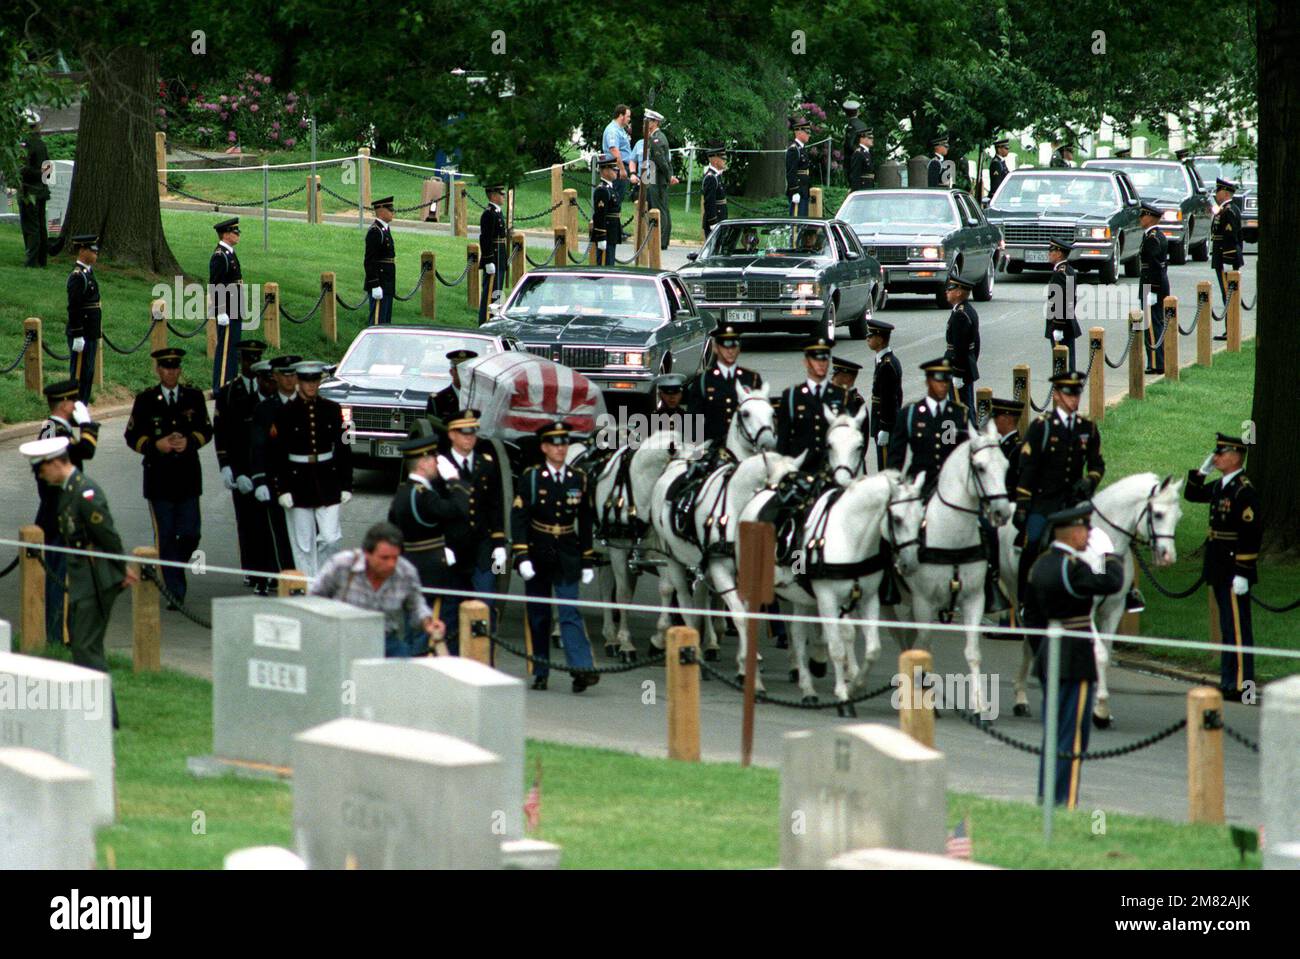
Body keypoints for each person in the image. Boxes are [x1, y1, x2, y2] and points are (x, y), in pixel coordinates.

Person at [21, 437, 136, 728]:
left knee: (86, 646)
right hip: (85, 577)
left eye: (42, 469)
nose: (41, 476)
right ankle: (93, 711)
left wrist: (122, 568)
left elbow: (107, 533)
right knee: (82, 643)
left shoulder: (84, 492)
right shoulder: (66, 491)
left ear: (57, 462)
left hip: (98, 577)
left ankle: (105, 718)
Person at [1023, 502, 1125, 808]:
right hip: (1075, 658)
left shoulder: (1040, 565)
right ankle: (1064, 802)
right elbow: (1111, 582)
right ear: (1073, 533)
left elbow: (1032, 617)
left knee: (1053, 733)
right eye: (1086, 530)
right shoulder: (1070, 567)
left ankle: (1046, 795)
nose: (1089, 536)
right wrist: (1110, 556)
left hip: (1049, 654)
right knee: (1072, 735)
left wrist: (1043, 649)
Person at [511, 421, 599, 693]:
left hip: (567, 553)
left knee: (569, 611)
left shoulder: (579, 478)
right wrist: (521, 555)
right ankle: (540, 670)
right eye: (555, 444)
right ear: (544, 448)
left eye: (564, 443)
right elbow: (519, 518)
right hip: (538, 551)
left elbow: (585, 521)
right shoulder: (532, 477)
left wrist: (586, 558)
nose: (561, 449)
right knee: (539, 616)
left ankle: (581, 669)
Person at [124, 347, 212, 606]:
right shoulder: (146, 400)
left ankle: (174, 566)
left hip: (187, 477)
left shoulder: (193, 397)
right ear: (158, 370)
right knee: (165, 534)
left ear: (179, 370)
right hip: (159, 479)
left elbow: (206, 429)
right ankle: (175, 590)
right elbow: (131, 436)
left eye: (175, 368)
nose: (171, 372)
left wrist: (190, 441)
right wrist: (156, 445)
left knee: (190, 533)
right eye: (166, 367)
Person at [1012, 370, 1104, 604]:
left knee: (1100, 545)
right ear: (1057, 395)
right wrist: (1023, 503)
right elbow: (1028, 468)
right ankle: (1025, 599)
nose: (1074, 399)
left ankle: (1106, 595)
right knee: (1033, 545)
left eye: (1077, 394)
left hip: (1075, 503)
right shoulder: (1042, 427)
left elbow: (1096, 464)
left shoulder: (1087, 428)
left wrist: (1089, 480)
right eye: (1069, 394)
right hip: (1045, 503)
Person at [1184, 433, 1260, 700]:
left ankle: (1243, 685)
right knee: (1227, 627)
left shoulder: (1243, 490)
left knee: (1239, 628)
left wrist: (1243, 571)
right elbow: (1192, 494)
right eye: (1215, 453)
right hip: (1218, 565)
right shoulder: (1221, 486)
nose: (1216, 457)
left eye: (1221, 453)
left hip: (1233, 568)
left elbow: (1250, 534)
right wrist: (1200, 472)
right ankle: (1228, 681)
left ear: (1236, 456)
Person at [311, 522, 447, 658]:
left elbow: (416, 604)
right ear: (367, 553)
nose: (391, 564)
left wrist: (428, 622)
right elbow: (313, 598)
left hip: (385, 640)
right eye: (384, 558)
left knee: (406, 671)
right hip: (344, 638)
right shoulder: (342, 564)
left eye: (395, 558)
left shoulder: (406, 572)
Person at [269, 360, 353, 577]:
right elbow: (277, 455)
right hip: (297, 481)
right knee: (303, 544)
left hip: (327, 479)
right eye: (306, 380)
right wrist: (282, 489)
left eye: (315, 380)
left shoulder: (332, 409)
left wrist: (346, 484)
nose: (311, 385)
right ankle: (309, 587)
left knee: (330, 538)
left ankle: (324, 580)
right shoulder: (285, 413)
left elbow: (344, 448)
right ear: (298, 381)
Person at [33, 381, 99, 647]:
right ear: (64, 404)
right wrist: (89, 428)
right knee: (59, 576)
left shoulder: (59, 430)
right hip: (58, 515)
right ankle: (56, 635)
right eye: (74, 402)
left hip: (66, 514)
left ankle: (66, 632)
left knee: (69, 574)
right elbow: (85, 452)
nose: (77, 407)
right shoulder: (52, 431)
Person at [387, 431, 470, 638]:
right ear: (422, 463)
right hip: (431, 569)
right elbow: (457, 510)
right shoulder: (424, 495)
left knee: (413, 622)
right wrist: (454, 481)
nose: (436, 463)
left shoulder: (403, 491)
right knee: (428, 624)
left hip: (411, 564)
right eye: (433, 458)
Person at [439, 410, 509, 643]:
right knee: (451, 608)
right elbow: (433, 509)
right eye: (463, 433)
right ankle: (450, 663)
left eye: (473, 433)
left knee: (484, 604)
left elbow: (495, 506)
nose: (469, 438)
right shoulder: (440, 466)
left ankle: (482, 660)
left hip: (481, 546)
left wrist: (498, 543)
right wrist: (440, 544)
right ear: (451, 434)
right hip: (452, 547)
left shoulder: (486, 464)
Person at [214, 339, 269, 591]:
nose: (251, 364)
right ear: (241, 361)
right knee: (246, 521)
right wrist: (225, 465)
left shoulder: (268, 390)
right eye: (248, 359)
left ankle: (267, 569)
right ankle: (250, 568)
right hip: (240, 467)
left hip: (264, 468)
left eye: (256, 359)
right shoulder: (228, 392)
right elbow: (221, 431)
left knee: (266, 522)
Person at [249, 354, 300, 584]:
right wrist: (260, 480)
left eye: (293, 374)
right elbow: (258, 447)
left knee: (310, 536)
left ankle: (308, 579)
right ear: (276, 377)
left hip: (306, 481)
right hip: (276, 481)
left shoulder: (308, 403)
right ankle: (289, 580)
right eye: (284, 375)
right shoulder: (264, 409)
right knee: (282, 535)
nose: (289, 380)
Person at [887, 358, 969, 499]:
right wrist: (894, 485)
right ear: (927, 382)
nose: (943, 386)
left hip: (950, 483)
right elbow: (896, 456)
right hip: (919, 483)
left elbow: (966, 451)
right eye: (938, 381)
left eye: (946, 381)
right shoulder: (911, 414)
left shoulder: (958, 413)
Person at [777, 337, 849, 475]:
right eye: (816, 359)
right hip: (799, 472)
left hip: (832, 472)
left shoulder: (842, 396)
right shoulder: (792, 396)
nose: (821, 364)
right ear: (806, 362)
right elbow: (783, 441)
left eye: (824, 359)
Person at [686, 325, 763, 447]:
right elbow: (694, 420)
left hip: (745, 445)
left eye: (734, 346)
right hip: (712, 446)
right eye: (725, 346)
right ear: (716, 348)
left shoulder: (751, 378)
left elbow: (759, 415)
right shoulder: (703, 380)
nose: (730, 351)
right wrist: (697, 453)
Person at [66, 234, 103, 403]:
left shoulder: (88, 273)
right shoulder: (77, 276)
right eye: (92, 251)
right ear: (82, 250)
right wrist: (77, 333)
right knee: (79, 372)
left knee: (88, 372)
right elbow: (74, 307)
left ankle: (83, 405)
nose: (96, 254)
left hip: (91, 331)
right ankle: (74, 406)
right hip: (82, 331)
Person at [209, 217, 244, 390]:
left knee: (233, 350)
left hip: (235, 307)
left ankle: (230, 384)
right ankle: (221, 386)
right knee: (225, 350)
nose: (238, 235)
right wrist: (221, 310)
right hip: (228, 309)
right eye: (234, 232)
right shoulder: (220, 255)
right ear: (225, 234)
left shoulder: (229, 253)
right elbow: (216, 285)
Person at [1210, 178, 1243, 342]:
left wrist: (1227, 259)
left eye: (1218, 192)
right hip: (1225, 256)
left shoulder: (1228, 211)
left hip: (1226, 257)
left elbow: (1231, 236)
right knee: (1228, 295)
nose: (1216, 195)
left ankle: (1231, 330)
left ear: (1224, 193)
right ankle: (1230, 328)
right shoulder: (1229, 208)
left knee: (1228, 295)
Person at [1138, 201, 1169, 374]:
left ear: (1150, 218)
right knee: (1153, 323)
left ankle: (1157, 363)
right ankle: (1156, 361)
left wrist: (1152, 290)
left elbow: (1156, 267)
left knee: (1152, 324)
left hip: (1152, 286)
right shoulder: (1153, 235)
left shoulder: (1153, 238)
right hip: (1151, 285)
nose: (1140, 219)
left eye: (1143, 215)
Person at [867, 319, 902, 472]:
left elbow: (890, 399)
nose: (868, 338)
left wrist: (885, 428)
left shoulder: (887, 365)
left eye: (871, 335)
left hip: (886, 423)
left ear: (880, 339)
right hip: (884, 421)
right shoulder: (883, 361)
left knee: (886, 469)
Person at [427, 349, 476, 451]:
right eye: (460, 370)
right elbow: (433, 433)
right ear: (452, 372)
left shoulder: (480, 398)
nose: (464, 375)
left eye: (467, 371)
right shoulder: (438, 400)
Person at [944, 276, 980, 410]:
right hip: (967, 365)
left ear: (959, 292)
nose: (947, 291)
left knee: (961, 409)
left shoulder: (960, 315)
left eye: (950, 289)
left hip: (959, 368)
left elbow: (960, 346)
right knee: (966, 405)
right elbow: (975, 344)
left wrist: (958, 373)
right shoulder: (968, 310)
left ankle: (968, 431)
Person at [19, 111, 50, 268]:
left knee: (31, 227)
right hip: (42, 190)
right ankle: (41, 259)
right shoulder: (41, 144)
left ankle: (32, 261)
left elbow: (23, 169)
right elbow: (47, 168)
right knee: (40, 226)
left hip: (29, 191)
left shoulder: (26, 145)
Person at [1044, 238, 1081, 370]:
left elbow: (1062, 300)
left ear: (1059, 253)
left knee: (1062, 364)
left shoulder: (1060, 274)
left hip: (1061, 324)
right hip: (1068, 322)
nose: (1049, 253)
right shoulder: (1068, 270)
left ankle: (1065, 390)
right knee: (1068, 362)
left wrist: (1058, 325)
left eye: (1051, 250)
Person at [644, 109, 677, 249]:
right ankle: (660, 239)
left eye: (649, 121)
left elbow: (661, 161)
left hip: (657, 178)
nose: (646, 123)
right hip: (653, 176)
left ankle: (661, 241)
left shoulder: (657, 138)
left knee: (660, 210)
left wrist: (669, 176)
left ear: (655, 122)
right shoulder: (654, 136)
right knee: (659, 208)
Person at [364, 196, 397, 326]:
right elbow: (370, 260)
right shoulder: (375, 231)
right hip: (380, 282)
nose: (392, 212)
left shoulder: (384, 229)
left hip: (387, 282)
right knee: (378, 321)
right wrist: (375, 284)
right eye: (390, 209)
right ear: (381, 211)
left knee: (386, 320)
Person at [478, 185, 508, 325]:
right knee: (489, 293)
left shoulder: (497, 212)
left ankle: (494, 320)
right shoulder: (489, 213)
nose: (504, 196)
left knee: (497, 292)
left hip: (500, 258)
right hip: (494, 259)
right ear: (493, 195)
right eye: (501, 194)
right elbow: (485, 239)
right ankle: (485, 321)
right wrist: (488, 260)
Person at [591, 154, 622, 266]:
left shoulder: (610, 189)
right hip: (606, 234)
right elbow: (600, 215)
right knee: (605, 266)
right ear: (604, 171)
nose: (616, 171)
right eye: (613, 169)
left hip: (612, 234)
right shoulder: (602, 190)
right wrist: (601, 237)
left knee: (610, 265)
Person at [602, 104, 634, 203]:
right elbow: (614, 150)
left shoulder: (620, 130)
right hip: (616, 169)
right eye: (628, 116)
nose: (629, 119)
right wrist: (622, 169)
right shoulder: (613, 130)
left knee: (617, 200)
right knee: (614, 200)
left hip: (619, 168)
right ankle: (609, 219)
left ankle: (613, 218)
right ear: (621, 116)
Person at [700, 142, 728, 238]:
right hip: (715, 222)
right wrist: (713, 223)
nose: (725, 161)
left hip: (720, 220)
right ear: (716, 161)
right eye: (723, 159)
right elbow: (709, 202)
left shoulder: (717, 176)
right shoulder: (711, 178)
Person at [786, 117, 812, 217]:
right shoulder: (794, 149)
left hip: (804, 190)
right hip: (798, 190)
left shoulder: (802, 149)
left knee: (803, 220)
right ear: (799, 133)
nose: (809, 135)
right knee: (797, 221)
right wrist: (794, 191)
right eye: (807, 132)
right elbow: (791, 172)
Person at [841, 99, 867, 185]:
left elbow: (850, 144)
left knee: (853, 184)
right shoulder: (863, 124)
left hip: (852, 160)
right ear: (857, 111)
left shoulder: (851, 125)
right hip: (864, 157)